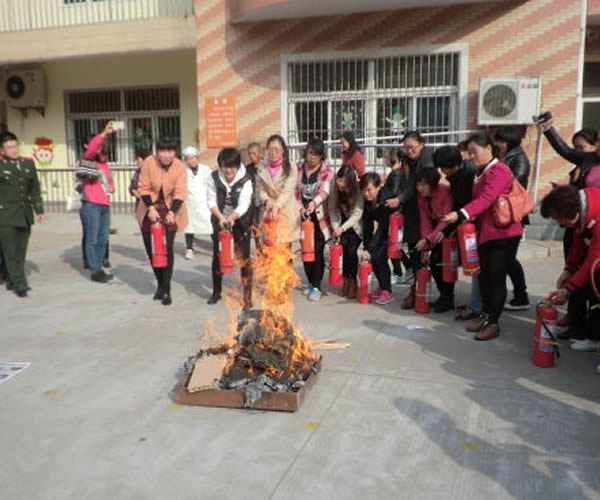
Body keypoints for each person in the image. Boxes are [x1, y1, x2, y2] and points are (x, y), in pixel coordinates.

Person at [442, 133, 523, 341]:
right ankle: (486, 315)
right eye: (469, 152)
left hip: (503, 234)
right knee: (485, 278)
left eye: (474, 152)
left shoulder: (499, 170)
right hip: (486, 233)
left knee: (496, 279)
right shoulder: (481, 171)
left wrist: (461, 214)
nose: (471, 156)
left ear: (488, 148)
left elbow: (487, 198)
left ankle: (493, 323)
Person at [542, 185, 600, 360]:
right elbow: (578, 243)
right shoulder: (582, 211)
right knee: (593, 295)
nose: (560, 224)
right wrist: (568, 270)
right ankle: (594, 337)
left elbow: (593, 260)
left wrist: (568, 289)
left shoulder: (597, 216)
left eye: (559, 219)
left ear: (569, 212)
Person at [136, 138, 188, 306]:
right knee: (151, 250)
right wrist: (150, 208)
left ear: (175, 152)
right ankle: (159, 284)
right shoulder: (149, 162)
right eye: (163, 151)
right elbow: (143, 187)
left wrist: (172, 211)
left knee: (166, 250)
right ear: (157, 151)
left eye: (170, 151)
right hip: (148, 208)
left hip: (170, 209)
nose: (166, 155)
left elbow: (180, 192)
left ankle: (167, 289)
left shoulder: (179, 166)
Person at [434, 145, 480, 321]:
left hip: (474, 226)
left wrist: (462, 219)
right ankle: (472, 304)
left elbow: (471, 203)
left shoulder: (469, 174)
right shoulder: (456, 175)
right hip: (463, 224)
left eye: (443, 167)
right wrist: (447, 230)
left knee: (476, 266)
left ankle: (477, 308)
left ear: (453, 165)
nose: (442, 172)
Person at [207, 148, 254, 308]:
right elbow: (211, 200)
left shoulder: (246, 179)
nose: (228, 170)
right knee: (218, 255)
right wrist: (221, 218)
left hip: (240, 220)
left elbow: (244, 203)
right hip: (220, 218)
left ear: (238, 165)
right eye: (225, 166)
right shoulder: (214, 177)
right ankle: (216, 292)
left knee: (244, 257)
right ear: (220, 165)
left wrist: (232, 218)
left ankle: (247, 297)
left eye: (232, 166)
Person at [0, 132, 45, 297]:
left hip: (24, 214)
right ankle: (20, 284)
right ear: (2, 150)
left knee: (21, 250)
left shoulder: (28, 163)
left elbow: (34, 188)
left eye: (15, 146)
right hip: (5, 215)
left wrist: (39, 210)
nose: (13, 150)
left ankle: (11, 279)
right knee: (10, 252)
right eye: (9, 147)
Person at [494, 126, 531, 310]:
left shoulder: (519, 159)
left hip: (513, 214)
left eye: (500, 141)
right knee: (506, 259)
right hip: (502, 214)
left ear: (508, 142)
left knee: (508, 259)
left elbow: (514, 185)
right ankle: (518, 295)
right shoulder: (504, 156)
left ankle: (521, 297)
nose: (497, 144)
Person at [399, 131, 435, 309]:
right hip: (411, 213)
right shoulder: (406, 162)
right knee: (414, 252)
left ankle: (422, 292)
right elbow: (404, 183)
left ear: (421, 144)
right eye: (406, 147)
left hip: (426, 213)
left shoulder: (427, 159)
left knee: (426, 255)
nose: (409, 151)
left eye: (412, 147)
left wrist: (400, 199)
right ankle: (416, 291)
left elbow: (416, 185)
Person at [295, 137, 333, 302]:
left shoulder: (327, 171)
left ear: (321, 156)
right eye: (309, 153)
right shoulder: (298, 168)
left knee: (317, 251)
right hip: (303, 215)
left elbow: (324, 192)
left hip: (319, 216)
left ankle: (317, 286)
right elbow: (294, 191)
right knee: (305, 248)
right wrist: (301, 208)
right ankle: (310, 282)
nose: (311, 158)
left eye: (316, 155)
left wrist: (312, 204)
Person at [78, 124, 116, 283]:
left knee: (103, 239)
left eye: (101, 144)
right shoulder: (87, 158)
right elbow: (92, 148)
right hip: (91, 204)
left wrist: (112, 187)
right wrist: (104, 133)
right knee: (92, 239)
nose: (99, 146)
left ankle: (99, 267)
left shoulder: (103, 161)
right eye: (97, 143)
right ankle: (95, 270)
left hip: (104, 203)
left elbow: (108, 179)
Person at [414, 167, 455, 313]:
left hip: (449, 231)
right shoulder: (421, 197)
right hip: (436, 234)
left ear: (433, 183)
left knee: (445, 264)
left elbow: (446, 220)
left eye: (424, 184)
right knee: (433, 262)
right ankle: (444, 295)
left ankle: (448, 298)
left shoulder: (445, 192)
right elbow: (425, 221)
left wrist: (428, 239)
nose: (421, 188)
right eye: (418, 184)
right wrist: (426, 242)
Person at [255, 134, 300, 248]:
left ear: (283, 150)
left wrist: (277, 206)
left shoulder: (291, 166)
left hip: (285, 209)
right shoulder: (262, 165)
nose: (273, 152)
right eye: (270, 149)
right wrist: (266, 200)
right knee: (269, 246)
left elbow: (287, 190)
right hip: (268, 211)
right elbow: (259, 188)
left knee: (284, 249)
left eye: (276, 149)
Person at [328, 165, 364, 299]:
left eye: (344, 182)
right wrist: (336, 227)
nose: (341, 185)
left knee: (351, 251)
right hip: (340, 221)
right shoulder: (334, 187)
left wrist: (342, 228)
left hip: (355, 225)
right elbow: (332, 209)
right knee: (343, 249)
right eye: (339, 181)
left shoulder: (358, 189)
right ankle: (346, 281)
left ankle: (353, 281)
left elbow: (357, 214)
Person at [360, 172, 395, 305]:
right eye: (363, 190)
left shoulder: (386, 199)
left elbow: (382, 228)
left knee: (379, 257)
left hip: (395, 229)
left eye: (369, 190)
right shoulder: (367, 201)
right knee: (373, 257)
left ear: (378, 186)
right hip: (385, 229)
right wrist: (366, 248)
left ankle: (387, 291)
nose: (366, 193)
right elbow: (367, 226)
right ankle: (382, 286)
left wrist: (370, 249)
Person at [383, 148, 413, 285]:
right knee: (395, 244)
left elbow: (393, 193)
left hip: (395, 215)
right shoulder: (402, 173)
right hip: (398, 214)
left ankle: (398, 273)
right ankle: (407, 268)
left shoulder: (396, 174)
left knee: (393, 244)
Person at [181, 146, 212, 260]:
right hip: (190, 204)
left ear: (197, 158)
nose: (191, 161)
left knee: (211, 226)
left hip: (204, 203)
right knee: (189, 227)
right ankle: (189, 248)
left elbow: (211, 185)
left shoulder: (206, 170)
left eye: (193, 158)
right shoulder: (183, 172)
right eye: (188, 159)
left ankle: (218, 247)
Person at [245, 142, 263, 252]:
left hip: (263, 204)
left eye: (254, 153)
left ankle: (264, 254)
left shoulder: (266, 167)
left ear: (260, 153)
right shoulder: (246, 169)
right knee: (253, 230)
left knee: (262, 231)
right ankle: (258, 253)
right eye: (250, 154)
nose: (252, 156)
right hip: (251, 204)